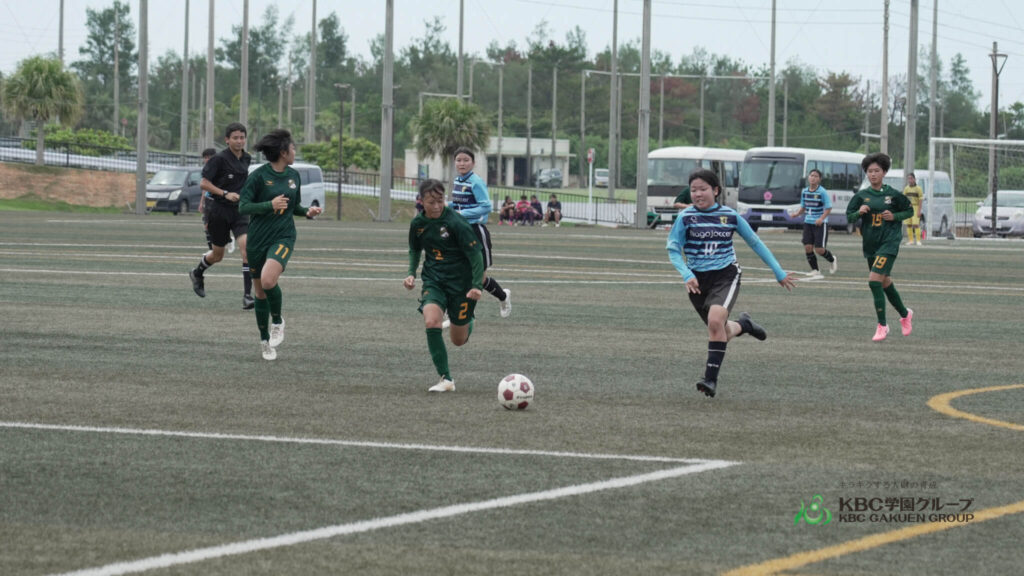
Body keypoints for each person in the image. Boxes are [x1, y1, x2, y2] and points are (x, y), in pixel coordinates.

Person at [666, 168, 796, 398]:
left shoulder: (730, 216)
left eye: (703, 189)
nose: (697, 194)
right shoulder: (685, 218)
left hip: (725, 275)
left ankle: (710, 380)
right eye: (693, 190)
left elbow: (755, 242)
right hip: (697, 280)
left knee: (715, 321)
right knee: (720, 330)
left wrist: (778, 271)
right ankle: (744, 325)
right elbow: (673, 249)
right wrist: (686, 274)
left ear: (716, 190)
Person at [238, 129, 322, 360]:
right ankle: (264, 341)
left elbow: (294, 207)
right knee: (259, 293)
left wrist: (307, 212)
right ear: (283, 152)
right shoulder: (258, 176)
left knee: (268, 280)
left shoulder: (294, 176)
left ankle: (277, 321)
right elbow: (243, 206)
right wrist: (269, 205)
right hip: (257, 240)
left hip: (283, 237)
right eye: (293, 148)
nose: (295, 151)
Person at [404, 178, 484, 392]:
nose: (437, 206)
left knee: (458, 340)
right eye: (432, 202)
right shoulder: (417, 224)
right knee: (431, 322)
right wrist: (411, 273)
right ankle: (446, 379)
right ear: (421, 201)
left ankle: (468, 320)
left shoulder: (456, 222)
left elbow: (476, 255)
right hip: (434, 279)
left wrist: (477, 285)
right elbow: (415, 249)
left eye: (440, 201)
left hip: (461, 284)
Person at [846, 153, 915, 342]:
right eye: (870, 171)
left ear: (884, 172)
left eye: (877, 171)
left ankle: (882, 325)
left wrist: (894, 216)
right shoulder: (862, 196)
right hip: (871, 244)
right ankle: (905, 314)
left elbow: (909, 210)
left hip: (889, 243)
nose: (873, 174)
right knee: (884, 282)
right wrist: (858, 213)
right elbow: (849, 216)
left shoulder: (893, 195)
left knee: (874, 281)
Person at [189, 123, 254, 309]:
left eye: (242, 137)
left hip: (239, 211)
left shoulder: (247, 158)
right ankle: (197, 273)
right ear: (227, 140)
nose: (239, 141)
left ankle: (247, 296)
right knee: (218, 255)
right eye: (235, 138)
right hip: (218, 211)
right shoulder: (218, 159)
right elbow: (204, 184)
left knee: (246, 249)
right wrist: (225, 193)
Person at [451, 147, 510, 317]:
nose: (462, 163)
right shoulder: (458, 180)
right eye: (459, 160)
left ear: (473, 163)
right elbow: (457, 204)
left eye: (466, 160)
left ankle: (503, 297)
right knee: (461, 273)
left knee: (480, 278)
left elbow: (486, 207)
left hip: (476, 231)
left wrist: (461, 214)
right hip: (460, 232)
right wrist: (444, 208)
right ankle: (462, 313)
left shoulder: (476, 182)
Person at [790, 168, 838, 279]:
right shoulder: (805, 191)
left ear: (819, 179)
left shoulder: (822, 192)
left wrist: (821, 219)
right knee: (808, 247)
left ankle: (832, 259)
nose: (813, 178)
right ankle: (815, 270)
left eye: (816, 176)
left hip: (820, 224)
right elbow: (803, 207)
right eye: (811, 175)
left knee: (819, 249)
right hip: (808, 222)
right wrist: (796, 214)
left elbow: (828, 208)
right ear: (808, 177)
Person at [197, 148, 217, 251]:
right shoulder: (205, 170)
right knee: (206, 224)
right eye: (205, 157)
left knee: (218, 224)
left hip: (217, 201)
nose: (207, 159)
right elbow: (204, 188)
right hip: (208, 200)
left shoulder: (220, 168)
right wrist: (202, 202)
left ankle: (227, 239)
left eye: (209, 157)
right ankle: (211, 250)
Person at [903, 172, 924, 246]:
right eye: (909, 179)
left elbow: (920, 200)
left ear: (914, 179)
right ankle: (911, 240)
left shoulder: (918, 188)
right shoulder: (906, 188)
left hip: (915, 207)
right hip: (908, 208)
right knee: (908, 224)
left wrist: (919, 210)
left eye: (911, 178)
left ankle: (918, 240)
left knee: (915, 224)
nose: (910, 180)